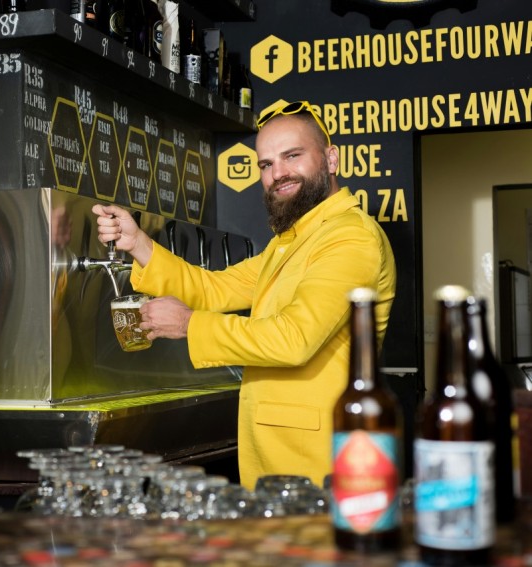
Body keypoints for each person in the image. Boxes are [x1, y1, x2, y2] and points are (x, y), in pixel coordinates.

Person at [92, 101, 397, 489]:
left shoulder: (350, 238)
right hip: (280, 459)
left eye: (292, 156)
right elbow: (214, 288)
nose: (278, 173)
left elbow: (294, 339)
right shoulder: (294, 242)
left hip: (320, 461)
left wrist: (189, 325)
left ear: (331, 159)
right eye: (266, 164)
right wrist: (138, 243)